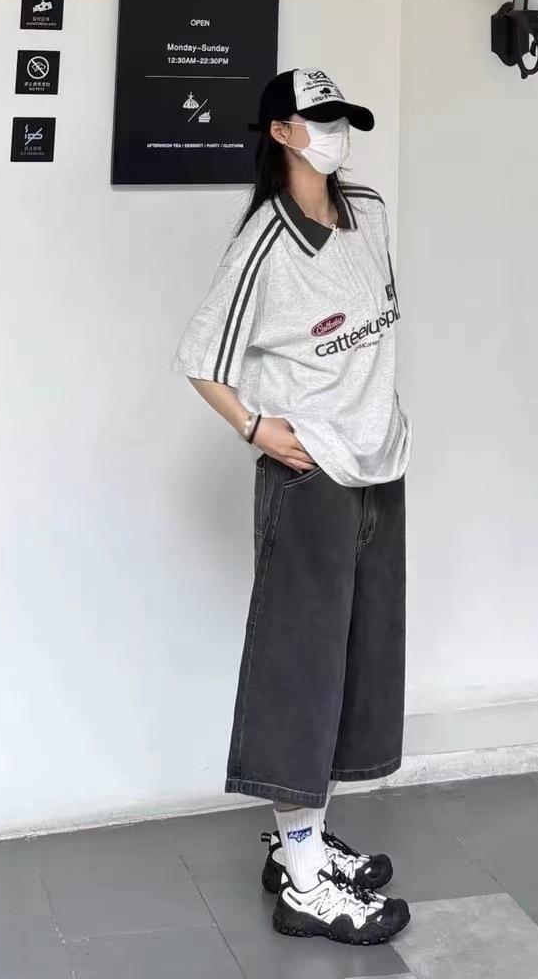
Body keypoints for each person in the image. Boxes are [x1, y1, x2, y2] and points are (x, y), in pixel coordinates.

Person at [172, 67, 412, 946]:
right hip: (309, 477)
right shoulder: (264, 244)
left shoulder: (369, 212)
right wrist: (258, 428)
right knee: (301, 665)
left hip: (378, 465)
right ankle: (305, 881)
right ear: (280, 133)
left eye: (341, 117)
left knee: (354, 661)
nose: (335, 131)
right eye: (318, 119)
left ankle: (299, 840)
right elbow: (201, 358)